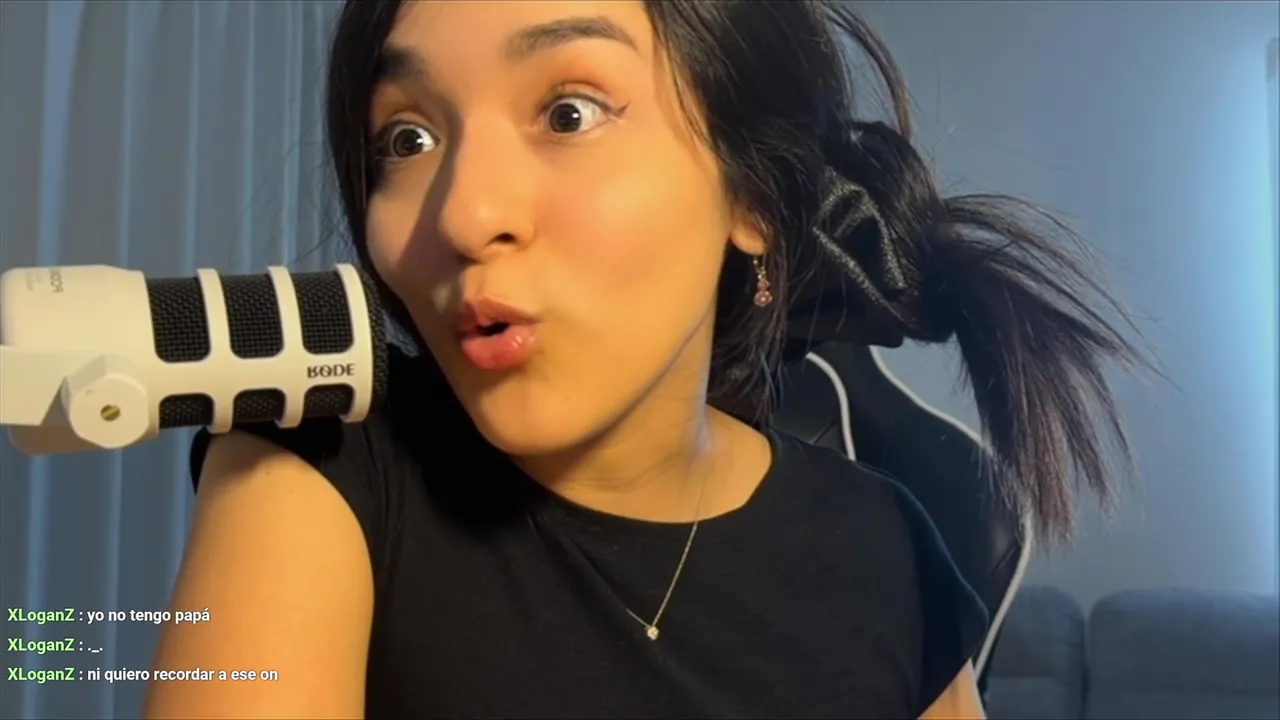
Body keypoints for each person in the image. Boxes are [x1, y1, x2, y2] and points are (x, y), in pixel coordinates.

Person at [145, 1, 1142, 718]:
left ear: (752, 198)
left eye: (568, 113)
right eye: (405, 138)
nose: (463, 214)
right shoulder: (315, 458)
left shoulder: (886, 549)